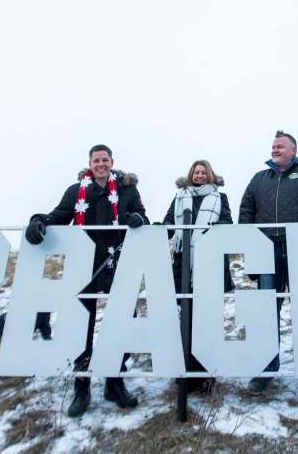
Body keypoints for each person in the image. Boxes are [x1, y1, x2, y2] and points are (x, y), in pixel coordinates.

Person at [23, 143, 150, 417]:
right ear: (90, 164)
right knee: (82, 327)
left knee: (122, 324)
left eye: (105, 160)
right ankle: (82, 388)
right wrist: (38, 220)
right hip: (85, 267)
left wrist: (138, 218)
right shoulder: (75, 191)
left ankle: (115, 383)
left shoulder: (128, 190)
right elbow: (58, 216)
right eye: (96, 160)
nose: (101, 164)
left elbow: (143, 217)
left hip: (118, 265)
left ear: (112, 161)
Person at [238, 130, 298, 396]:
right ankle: (265, 371)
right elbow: (246, 210)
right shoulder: (259, 179)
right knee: (266, 313)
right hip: (266, 250)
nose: (275, 149)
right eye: (273, 146)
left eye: (280, 146)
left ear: (294, 150)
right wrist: (249, 246)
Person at [160, 159, 233, 393]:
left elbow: (227, 221)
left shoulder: (220, 197)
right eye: (196, 172)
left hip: (209, 260)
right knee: (186, 317)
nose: (200, 176)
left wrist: (208, 233)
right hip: (184, 262)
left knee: (206, 319)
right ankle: (185, 371)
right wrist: (160, 228)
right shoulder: (180, 196)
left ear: (210, 175)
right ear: (191, 175)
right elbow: (169, 221)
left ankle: (205, 374)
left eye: (203, 172)